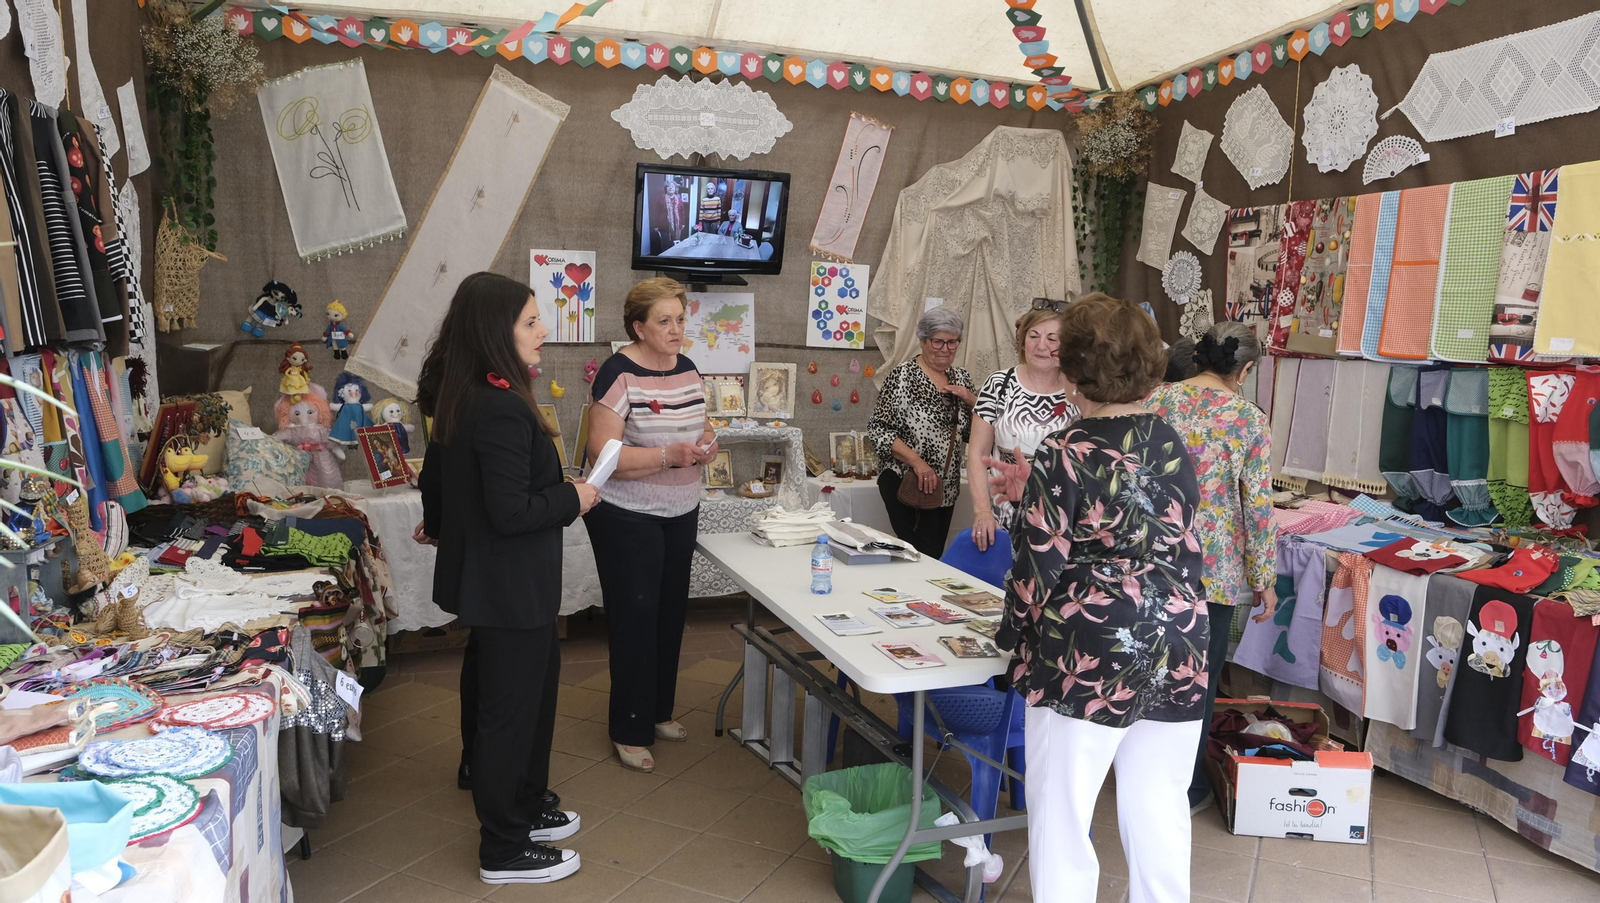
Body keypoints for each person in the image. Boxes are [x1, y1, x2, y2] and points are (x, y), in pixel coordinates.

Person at [986, 293, 1209, 903]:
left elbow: (1037, 567)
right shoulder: (1170, 440)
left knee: (1061, 816)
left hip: (1088, 645)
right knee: (1160, 808)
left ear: (1076, 366)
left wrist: (1010, 636)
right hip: (1179, 640)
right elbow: (1179, 540)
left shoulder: (1066, 446)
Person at [413, 271, 600, 886]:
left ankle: (521, 802)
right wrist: (577, 497)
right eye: (529, 321)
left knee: (522, 699)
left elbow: (436, 478)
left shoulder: (468, 392)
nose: (543, 331)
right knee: (509, 712)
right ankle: (504, 847)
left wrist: (440, 522)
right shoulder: (496, 405)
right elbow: (512, 510)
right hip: (509, 584)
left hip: (502, 583)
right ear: (496, 331)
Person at [585, 277, 718, 773]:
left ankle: (658, 710)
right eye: (664, 321)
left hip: (680, 509)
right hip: (626, 515)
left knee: (667, 615)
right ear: (638, 327)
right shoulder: (617, 374)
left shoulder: (688, 368)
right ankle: (629, 728)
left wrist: (708, 442)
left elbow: (700, 424)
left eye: (680, 319)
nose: (676, 329)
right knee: (635, 621)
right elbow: (602, 451)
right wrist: (668, 455)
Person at [1145, 322, 1277, 814]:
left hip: (1150, 559)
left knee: (1148, 666)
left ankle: (1135, 774)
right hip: (1211, 570)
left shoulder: (1156, 401)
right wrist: (1264, 579)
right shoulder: (1247, 418)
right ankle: (1186, 787)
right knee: (1198, 678)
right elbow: (1257, 505)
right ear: (1244, 371)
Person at [967, 305, 1077, 552]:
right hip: (1001, 515)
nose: (1041, 346)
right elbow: (976, 455)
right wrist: (983, 512)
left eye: (1052, 339)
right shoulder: (998, 384)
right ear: (1022, 340)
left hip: (1057, 517)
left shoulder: (1077, 390)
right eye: (1034, 336)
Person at [866, 307, 975, 558]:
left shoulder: (961, 379)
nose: (945, 349)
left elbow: (974, 433)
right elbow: (879, 429)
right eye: (938, 341)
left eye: (952, 342)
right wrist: (918, 463)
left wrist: (972, 400)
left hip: (945, 489)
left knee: (934, 556)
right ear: (923, 341)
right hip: (908, 482)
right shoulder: (903, 377)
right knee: (922, 556)